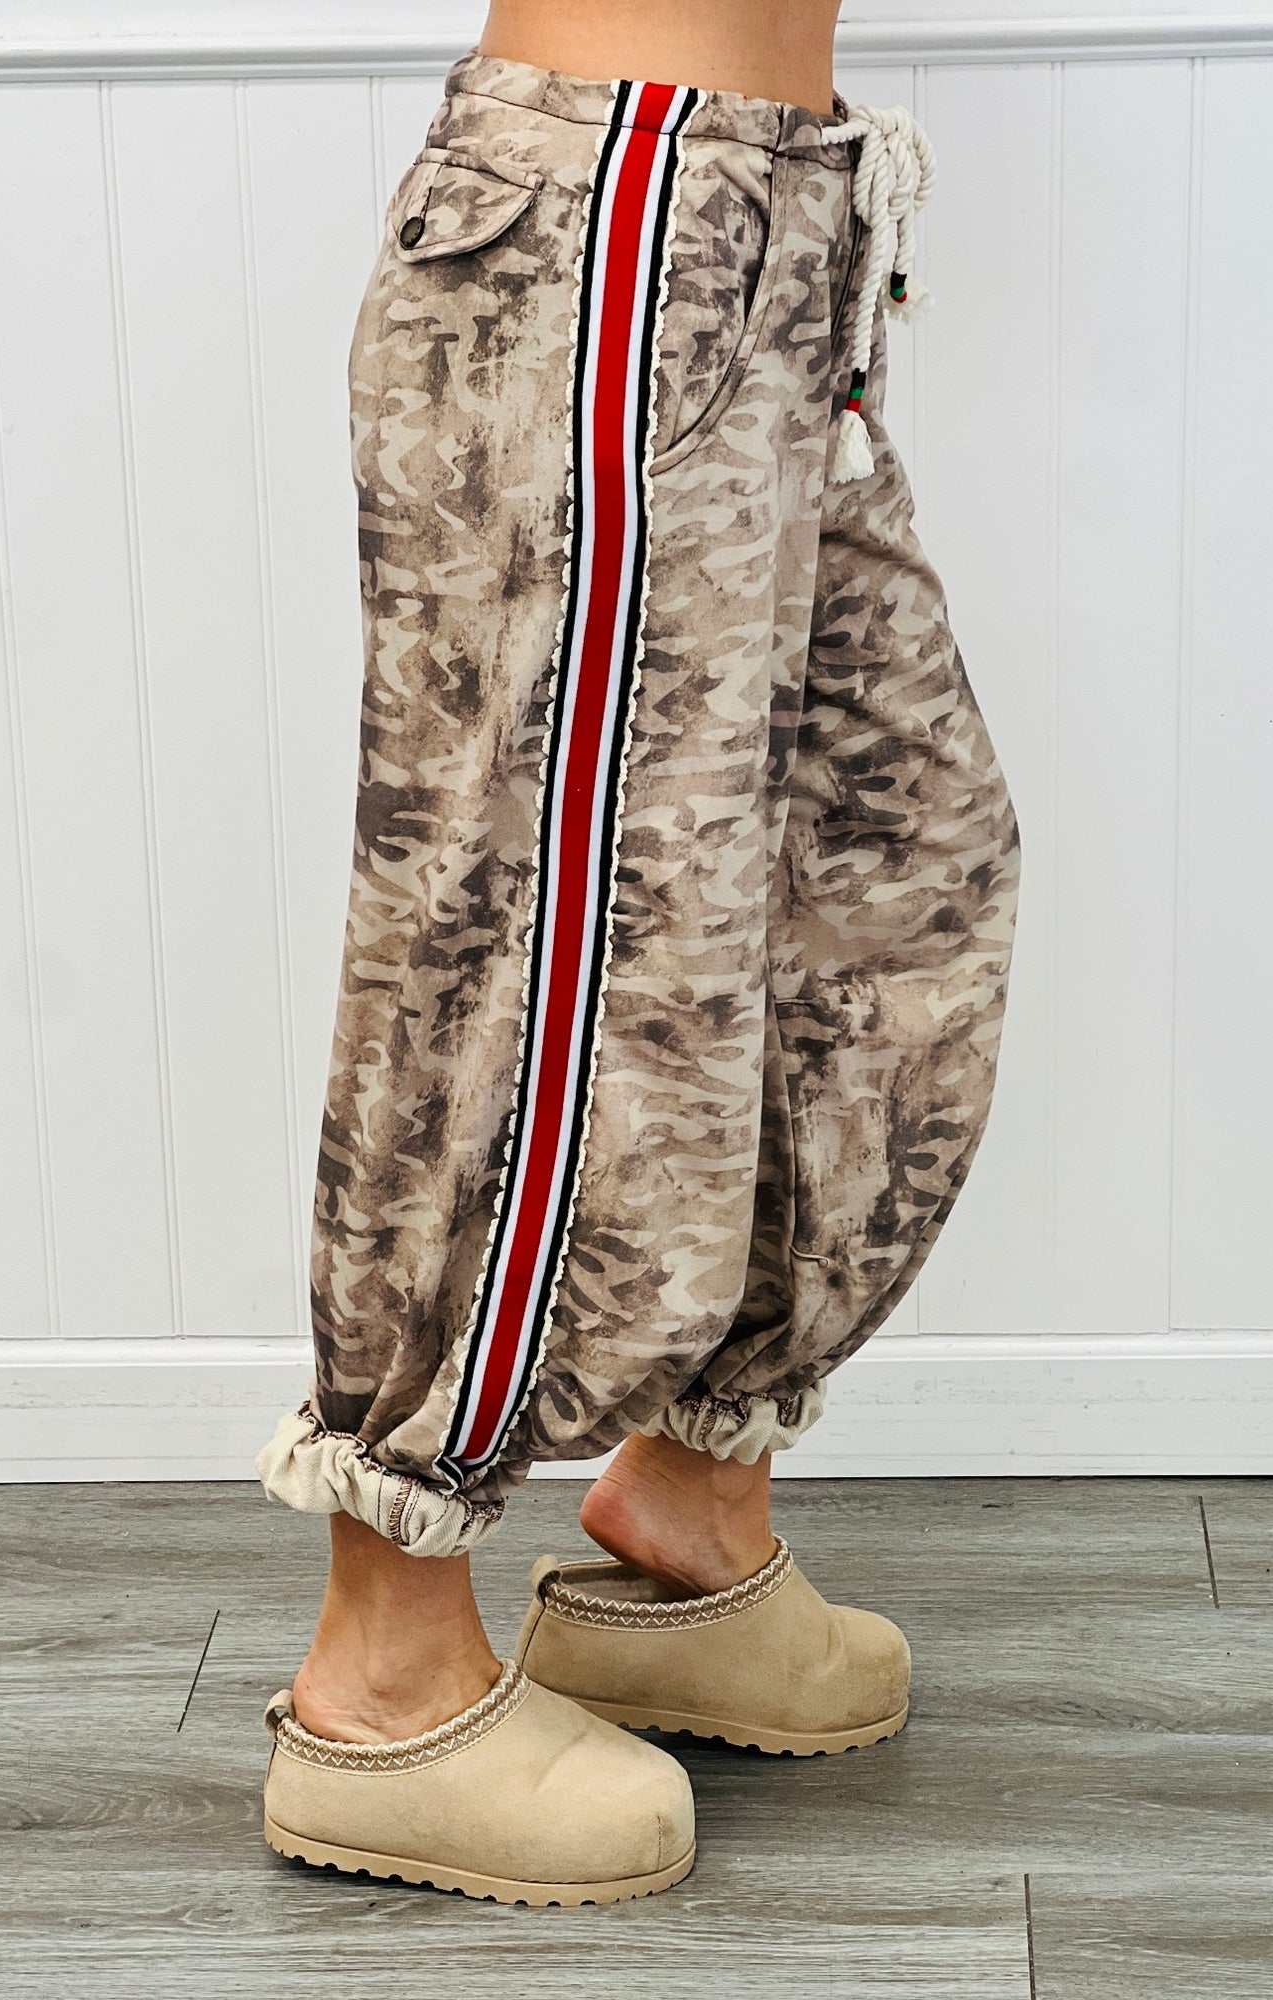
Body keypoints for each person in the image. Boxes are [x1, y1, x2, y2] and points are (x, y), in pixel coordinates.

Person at [255, 0, 1019, 1905]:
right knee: (541, 952)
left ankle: (689, 1509)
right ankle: (384, 1660)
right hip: (619, 218)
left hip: (773, 226)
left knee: (887, 879)